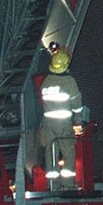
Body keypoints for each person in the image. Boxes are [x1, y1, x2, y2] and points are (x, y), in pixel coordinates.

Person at [37, 48, 84, 186]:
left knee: (51, 154)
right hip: (63, 125)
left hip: (48, 125)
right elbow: (77, 103)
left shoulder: (46, 81)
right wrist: (78, 121)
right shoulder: (69, 82)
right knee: (68, 153)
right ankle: (68, 184)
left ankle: (52, 184)